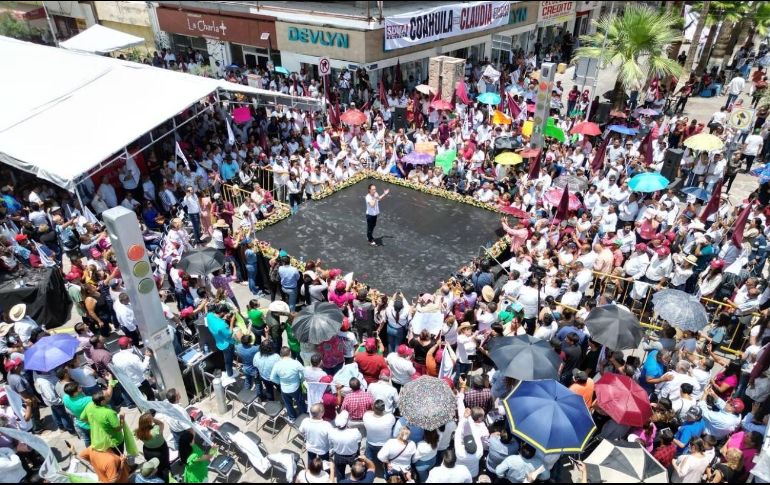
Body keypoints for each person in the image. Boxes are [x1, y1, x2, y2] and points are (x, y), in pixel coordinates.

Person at [270, 346, 306, 422]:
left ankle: (292, 417)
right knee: (300, 402)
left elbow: (272, 378)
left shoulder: (277, 365)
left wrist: (279, 382)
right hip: (295, 388)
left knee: (288, 404)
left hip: (284, 389)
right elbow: (304, 372)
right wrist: (301, 379)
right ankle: (304, 415)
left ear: (280, 354)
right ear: (290, 353)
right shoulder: (295, 363)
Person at [134, 412, 171, 482]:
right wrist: (153, 419)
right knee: (165, 467)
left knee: (153, 466)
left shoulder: (138, 432)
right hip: (160, 451)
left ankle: (155, 475)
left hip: (147, 451)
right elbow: (161, 424)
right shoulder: (155, 431)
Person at [329, 410, 363, 480]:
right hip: (353, 456)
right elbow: (359, 441)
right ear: (346, 422)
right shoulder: (355, 431)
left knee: (340, 474)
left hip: (338, 456)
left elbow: (331, 443)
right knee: (356, 473)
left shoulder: (332, 432)